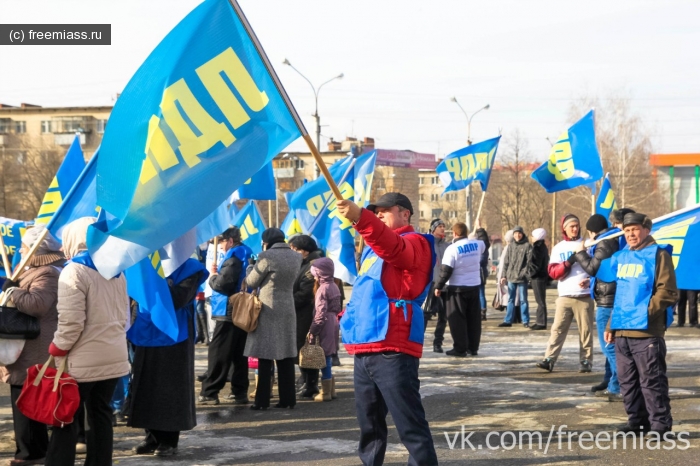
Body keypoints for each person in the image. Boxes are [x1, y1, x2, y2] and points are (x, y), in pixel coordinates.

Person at [337, 192, 438, 466]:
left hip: (393, 346)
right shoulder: (372, 249)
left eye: (384, 210)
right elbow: (364, 292)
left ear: (405, 213)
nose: (378, 214)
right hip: (366, 346)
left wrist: (360, 217)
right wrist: (346, 320)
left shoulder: (415, 242)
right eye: (374, 211)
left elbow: (393, 248)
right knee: (369, 426)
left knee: (409, 424)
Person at [45, 217, 130, 466]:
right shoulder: (116, 269)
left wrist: (57, 347)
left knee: (65, 417)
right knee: (100, 415)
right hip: (113, 356)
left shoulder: (74, 270)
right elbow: (124, 314)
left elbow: (71, 323)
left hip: (82, 360)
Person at [604, 213, 678, 437]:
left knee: (651, 381)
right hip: (622, 331)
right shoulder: (623, 256)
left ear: (646, 230)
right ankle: (636, 423)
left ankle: (660, 426)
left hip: (646, 332)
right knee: (627, 382)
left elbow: (668, 292)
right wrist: (610, 325)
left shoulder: (659, 255)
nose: (630, 234)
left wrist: (643, 313)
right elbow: (621, 295)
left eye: (635, 229)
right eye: (627, 231)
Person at [128, 257, 208, 456]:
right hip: (147, 331)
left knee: (171, 389)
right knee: (147, 386)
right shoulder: (145, 263)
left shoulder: (190, 268)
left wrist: (154, 283)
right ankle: (151, 437)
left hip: (175, 336)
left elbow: (177, 299)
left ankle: (169, 440)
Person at [1, 226, 64, 466]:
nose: (20, 250)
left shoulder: (47, 273)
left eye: (25, 246)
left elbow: (38, 304)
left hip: (35, 344)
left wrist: (13, 292)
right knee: (24, 397)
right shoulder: (33, 269)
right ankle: (31, 450)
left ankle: (31, 454)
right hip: (26, 344)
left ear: (37, 249)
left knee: (26, 399)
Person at [245, 228, 301, 410]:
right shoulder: (296, 257)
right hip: (288, 307)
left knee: (265, 355)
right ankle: (288, 399)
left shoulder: (265, 256)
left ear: (266, 241)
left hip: (268, 308)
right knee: (285, 355)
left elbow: (252, 281)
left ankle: (261, 401)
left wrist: (250, 266)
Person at [198, 227, 252, 405]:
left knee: (219, 352)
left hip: (228, 310)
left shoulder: (234, 258)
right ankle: (239, 391)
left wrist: (213, 277)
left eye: (221, 242)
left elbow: (224, 284)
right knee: (239, 353)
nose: (219, 246)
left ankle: (210, 391)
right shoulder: (246, 254)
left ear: (230, 240)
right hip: (241, 308)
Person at [536, 214, 594, 373]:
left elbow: (597, 267)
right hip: (565, 296)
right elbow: (553, 273)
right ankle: (549, 359)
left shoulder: (588, 244)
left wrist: (590, 279)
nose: (575, 229)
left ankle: (586, 360)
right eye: (571, 226)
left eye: (577, 226)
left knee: (586, 331)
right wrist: (569, 261)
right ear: (565, 229)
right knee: (557, 329)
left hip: (584, 296)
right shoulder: (559, 247)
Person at [573, 214, 622, 400]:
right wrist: (591, 282)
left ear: (591, 231)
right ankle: (611, 382)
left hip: (608, 302)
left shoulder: (604, 242)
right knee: (610, 345)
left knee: (608, 346)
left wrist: (580, 252)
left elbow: (593, 267)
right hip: (607, 296)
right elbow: (603, 271)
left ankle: (622, 385)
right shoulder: (609, 240)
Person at [435, 222, 485, 357]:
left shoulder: (452, 249)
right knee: (474, 319)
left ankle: (460, 348)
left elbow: (446, 270)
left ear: (455, 233)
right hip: (474, 286)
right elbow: (486, 242)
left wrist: (438, 286)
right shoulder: (477, 244)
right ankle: (473, 347)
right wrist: (480, 229)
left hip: (457, 288)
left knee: (457, 320)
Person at [289, 234, 323, 399]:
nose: (292, 252)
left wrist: (286, 301)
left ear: (304, 251)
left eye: (294, 249)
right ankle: (305, 380)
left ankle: (311, 384)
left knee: (308, 350)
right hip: (300, 314)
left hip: (306, 314)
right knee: (302, 349)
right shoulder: (303, 264)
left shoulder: (312, 267)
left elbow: (305, 294)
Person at [308, 257, 342, 402]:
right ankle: (331, 390)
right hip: (333, 321)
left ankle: (326, 392)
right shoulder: (334, 285)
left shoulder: (322, 289)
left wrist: (313, 330)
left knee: (324, 356)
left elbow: (320, 314)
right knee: (328, 354)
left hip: (325, 324)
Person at [423, 218, 449, 352]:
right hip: (431, 283)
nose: (443, 228)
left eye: (444, 226)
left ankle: (437, 343)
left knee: (443, 316)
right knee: (426, 314)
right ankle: (418, 342)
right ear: (433, 229)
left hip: (444, 284)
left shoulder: (447, 246)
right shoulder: (427, 243)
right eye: (440, 226)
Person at [499, 226, 531, 328]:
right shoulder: (510, 246)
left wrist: (523, 274)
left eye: (519, 233)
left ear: (522, 234)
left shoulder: (527, 246)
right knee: (510, 300)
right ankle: (508, 320)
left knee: (523, 300)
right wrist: (504, 275)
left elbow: (529, 263)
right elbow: (506, 262)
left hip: (522, 279)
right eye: (515, 233)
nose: (517, 235)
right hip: (511, 277)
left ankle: (525, 320)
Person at [527, 228, 549, 330]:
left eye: (533, 235)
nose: (531, 238)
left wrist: (530, 274)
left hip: (538, 277)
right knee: (540, 300)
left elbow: (535, 265)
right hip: (541, 276)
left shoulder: (537, 248)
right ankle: (539, 321)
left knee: (540, 300)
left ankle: (541, 322)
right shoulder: (542, 247)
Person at [475, 227, 491, 321]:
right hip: (481, 272)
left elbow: (481, 260)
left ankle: (482, 312)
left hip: (479, 272)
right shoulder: (485, 246)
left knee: (480, 293)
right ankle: (481, 311)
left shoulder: (482, 247)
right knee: (481, 293)